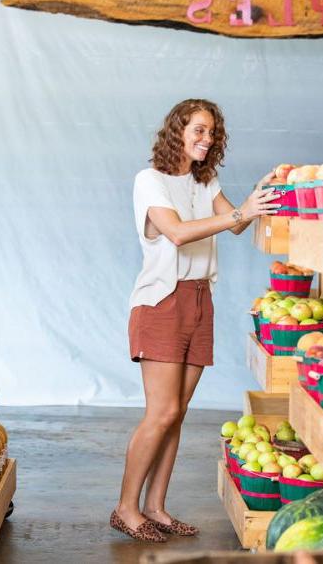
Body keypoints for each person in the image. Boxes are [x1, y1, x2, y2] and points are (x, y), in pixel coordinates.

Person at [111, 98, 281, 542]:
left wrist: (257, 197)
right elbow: (179, 233)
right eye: (199, 131)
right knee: (161, 411)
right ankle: (125, 508)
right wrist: (239, 213)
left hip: (200, 299)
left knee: (177, 413)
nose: (207, 140)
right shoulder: (150, 181)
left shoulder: (205, 182)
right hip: (162, 303)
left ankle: (155, 506)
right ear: (178, 132)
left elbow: (237, 223)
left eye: (212, 133)